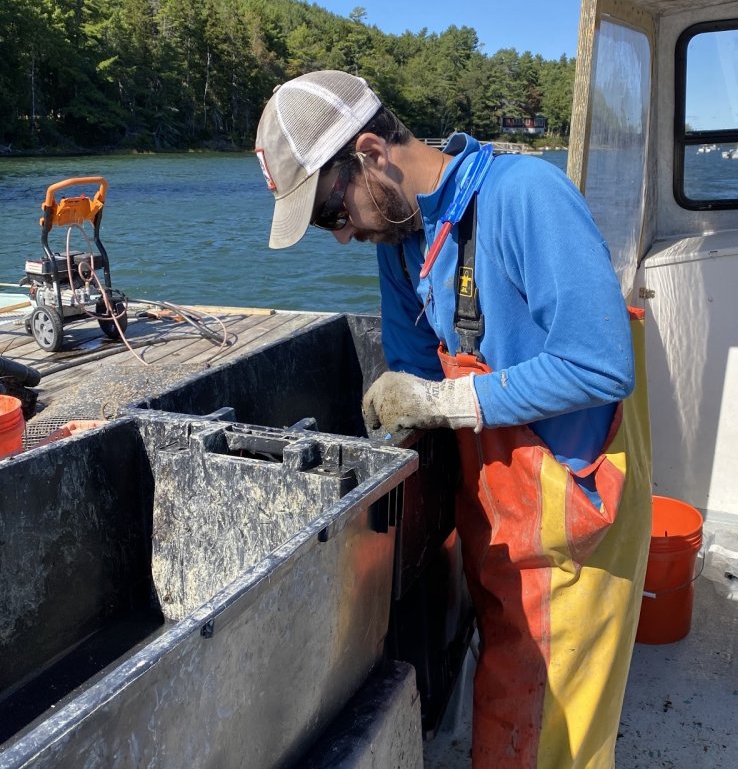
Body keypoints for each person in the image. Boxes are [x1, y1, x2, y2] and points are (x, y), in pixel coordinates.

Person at [255, 70, 651, 769]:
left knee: (553, 736)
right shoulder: (400, 239)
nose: (341, 236)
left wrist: (448, 403)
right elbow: (412, 372)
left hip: (576, 508)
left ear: (371, 153)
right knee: (506, 682)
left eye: (331, 212)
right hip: (498, 506)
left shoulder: (527, 196)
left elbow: (601, 365)